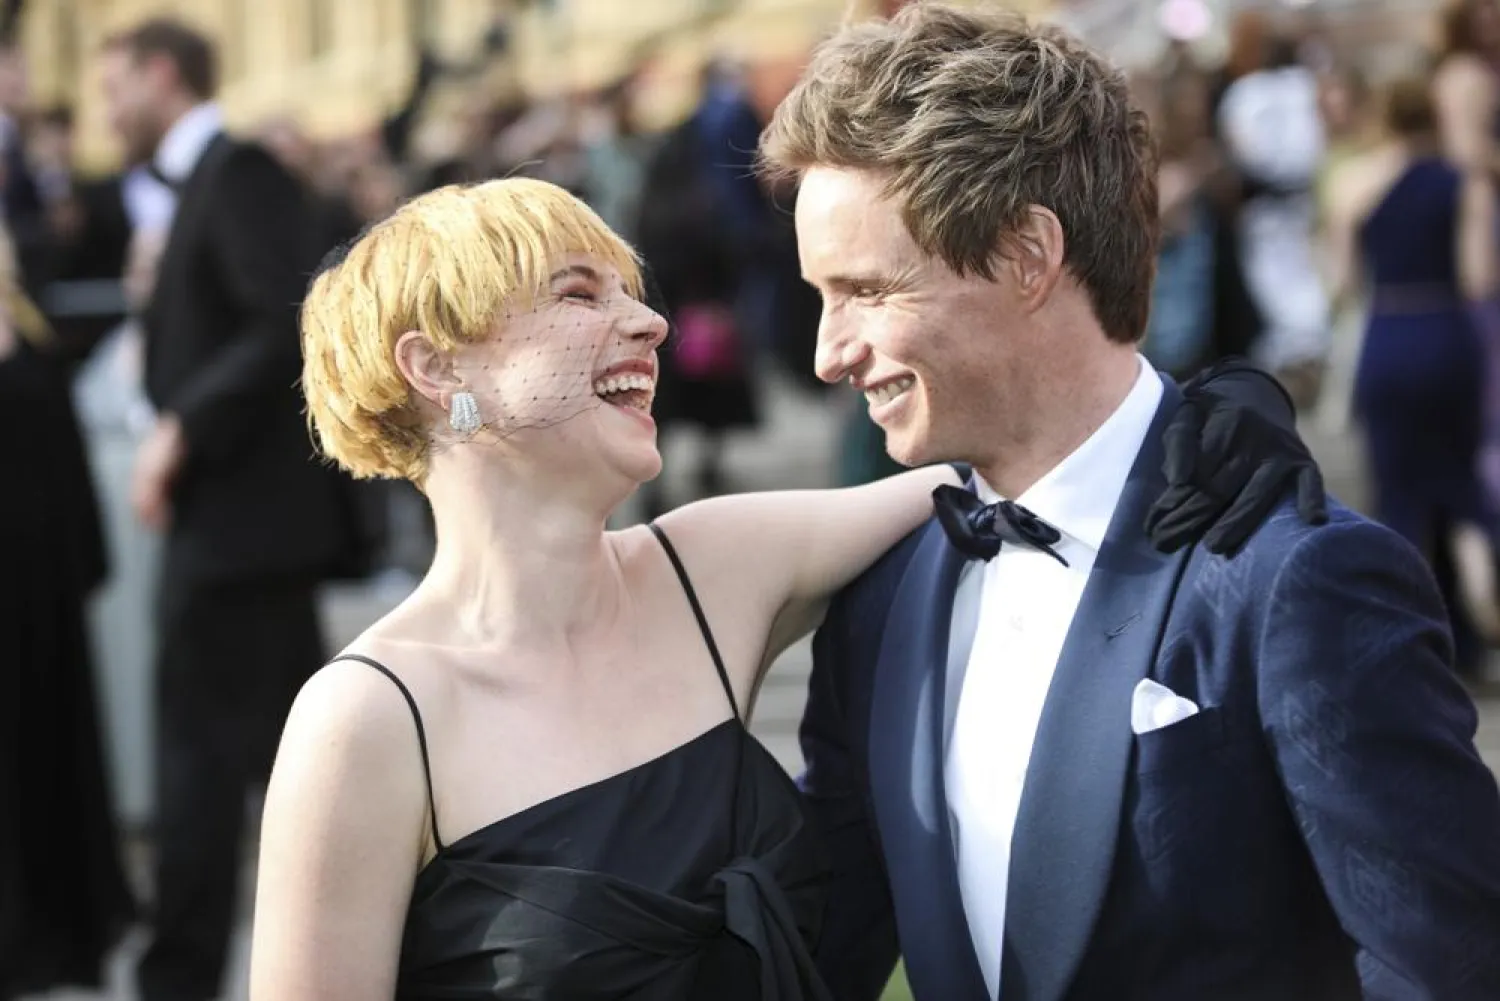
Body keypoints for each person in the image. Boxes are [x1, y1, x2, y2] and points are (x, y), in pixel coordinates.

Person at [247, 175, 1321, 1001]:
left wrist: (1207, 417)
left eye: (634, 290)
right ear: (438, 369)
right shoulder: (368, 719)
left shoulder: (712, 566)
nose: (650, 323)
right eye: (580, 294)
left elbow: (1011, 466)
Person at [758, 5, 1500, 1000]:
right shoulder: (881, 597)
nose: (828, 351)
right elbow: (815, 945)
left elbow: (1450, 969)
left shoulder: (1297, 579)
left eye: (866, 290)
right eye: (819, 295)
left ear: (1027, 255)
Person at [97, 19, 354, 1001]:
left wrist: (178, 430)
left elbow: (286, 314)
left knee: (200, 767)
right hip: (240, 533)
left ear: (163, 75)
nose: (104, 107)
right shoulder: (204, 182)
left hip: (236, 532)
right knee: (305, 759)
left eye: (115, 83)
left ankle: (180, 978)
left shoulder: (237, 169)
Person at [1326, 77, 1500, 674]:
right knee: (1457, 487)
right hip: (1447, 335)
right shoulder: (1463, 183)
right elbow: (1478, 278)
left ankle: (1407, 642)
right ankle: (1469, 639)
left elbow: (1342, 284)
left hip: (1388, 335)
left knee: (1399, 495)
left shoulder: (1353, 184)